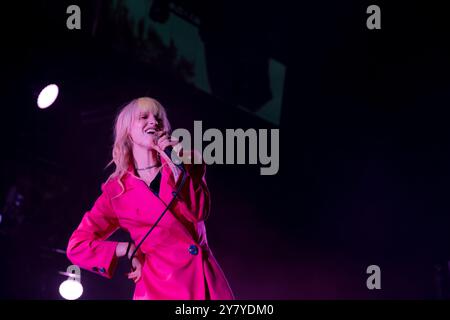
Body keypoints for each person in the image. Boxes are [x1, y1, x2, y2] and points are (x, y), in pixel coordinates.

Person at [66, 97, 234, 300]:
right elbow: (77, 246)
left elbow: (199, 211)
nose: (153, 122)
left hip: (203, 284)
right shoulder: (116, 191)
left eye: (159, 119)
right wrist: (126, 249)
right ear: (128, 130)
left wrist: (177, 164)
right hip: (158, 289)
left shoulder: (187, 162)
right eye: (144, 117)